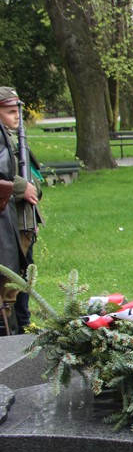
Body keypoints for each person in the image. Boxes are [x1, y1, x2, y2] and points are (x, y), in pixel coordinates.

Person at [0, 88, 32, 335]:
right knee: (10, 280)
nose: (16, 116)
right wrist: (22, 187)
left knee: (23, 274)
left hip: (19, 217)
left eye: (17, 111)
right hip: (10, 218)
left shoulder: (11, 137)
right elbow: (7, 174)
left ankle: (21, 325)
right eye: (10, 111)